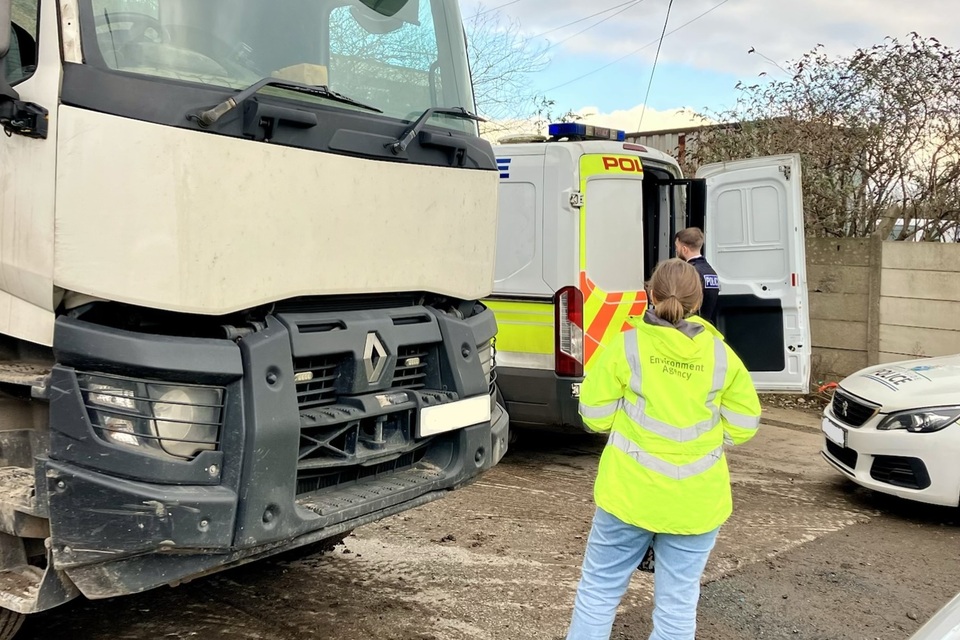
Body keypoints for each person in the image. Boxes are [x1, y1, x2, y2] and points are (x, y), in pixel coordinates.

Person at [565, 258, 761, 640]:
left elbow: (594, 415)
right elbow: (743, 425)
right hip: (697, 503)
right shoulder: (722, 357)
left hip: (629, 495)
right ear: (698, 301)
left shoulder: (626, 346)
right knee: (678, 604)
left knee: (599, 593)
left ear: (650, 294)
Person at [674, 227, 720, 327]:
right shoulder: (711, 272)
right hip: (708, 328)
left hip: (692, 329)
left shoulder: (689, 272)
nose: (676, 251)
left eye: (677, 247)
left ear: (684, 249)